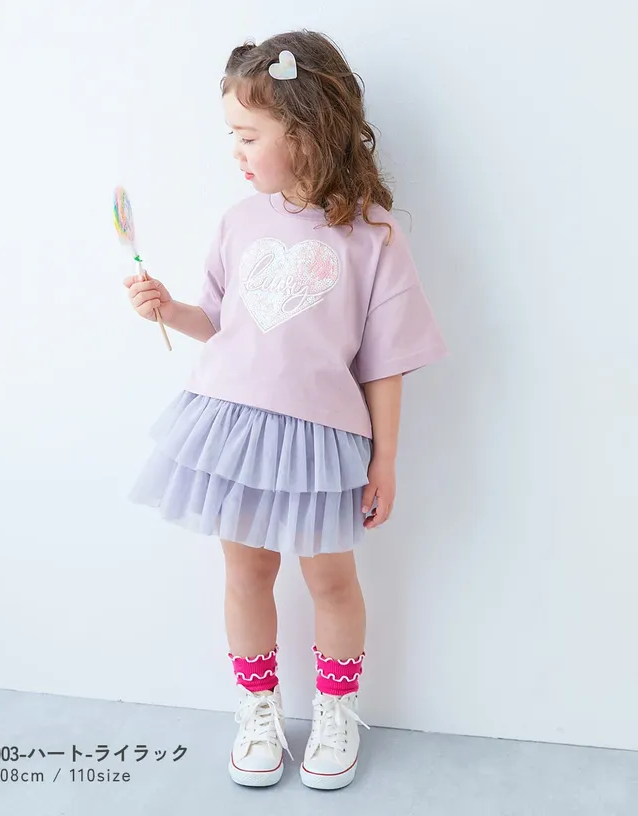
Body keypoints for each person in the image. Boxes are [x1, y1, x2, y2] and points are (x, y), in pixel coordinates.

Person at [123, 29, 448, 791]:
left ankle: (335, 712)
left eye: (248, 136)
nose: (236, 153)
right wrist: (168, 309)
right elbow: (220, 322)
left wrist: (385, 460)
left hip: (321, 440)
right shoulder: (240, 221)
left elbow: (386, 360)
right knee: (246, 573)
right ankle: (258, 711)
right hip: (231, 426)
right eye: (232, 136)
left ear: (305, 132)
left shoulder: (373, 236)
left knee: (331, 581)